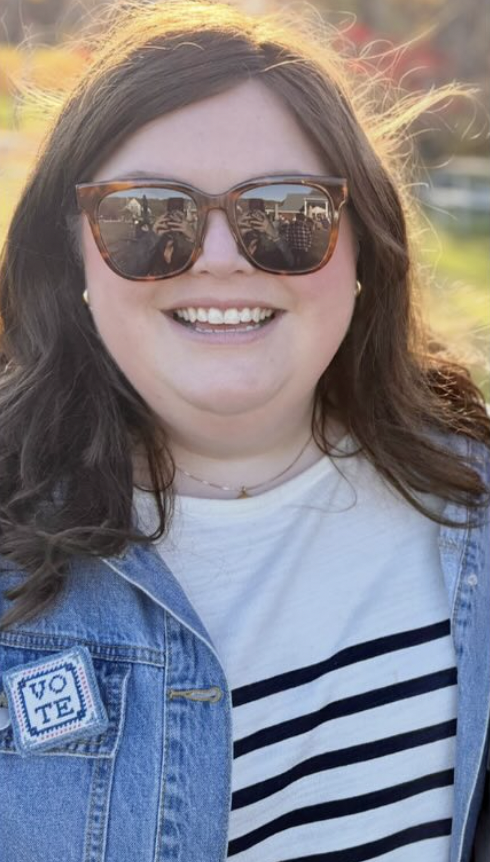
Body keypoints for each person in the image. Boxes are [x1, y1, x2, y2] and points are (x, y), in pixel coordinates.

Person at [0, 3, 488, 861]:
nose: (219, 257)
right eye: (148, 217)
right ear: (72, 253)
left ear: (363, 245)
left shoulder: (472, 507)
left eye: (286, 214)